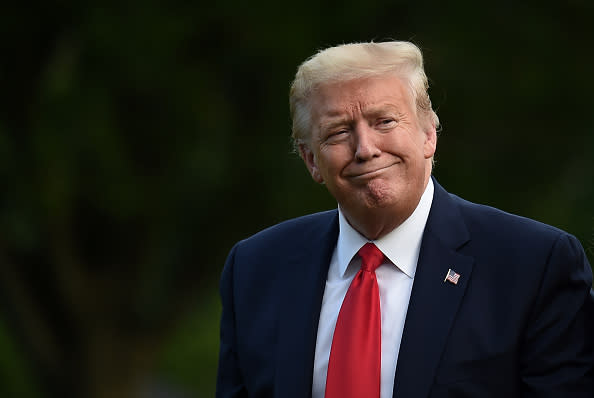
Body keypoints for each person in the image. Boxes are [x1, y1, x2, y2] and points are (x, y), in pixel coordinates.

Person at [216, 41, 594, 398]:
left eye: (384, 121)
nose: (365, 149)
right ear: (311, 160)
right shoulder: (256, 268)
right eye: (339, 132)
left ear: (429, 134)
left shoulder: (533, 265)